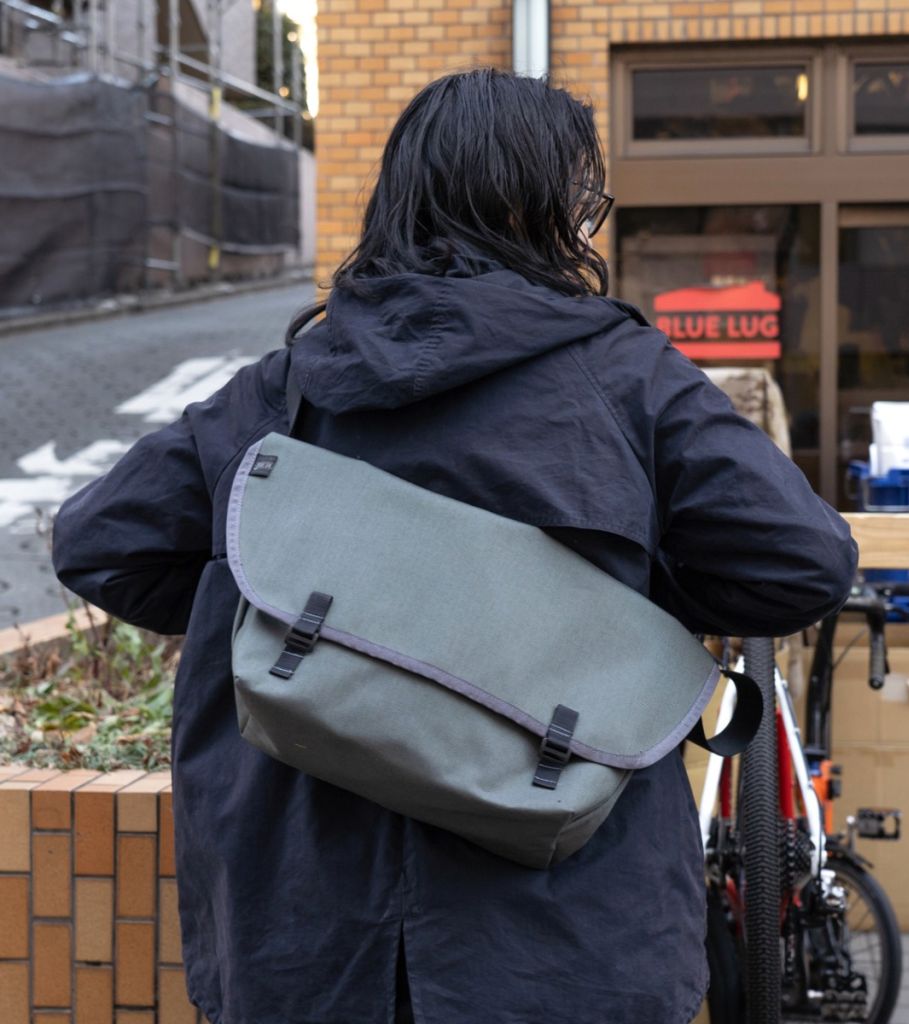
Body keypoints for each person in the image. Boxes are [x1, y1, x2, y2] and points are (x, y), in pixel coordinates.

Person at [52, 69, 857, 1024]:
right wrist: (605, 609)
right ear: (551, 210)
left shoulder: (285, 391)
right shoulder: (630, 381)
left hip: (304, 935)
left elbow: (100, 544)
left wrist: (286, 607)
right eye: (584, 199)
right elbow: (807, 563)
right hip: (562, 941)